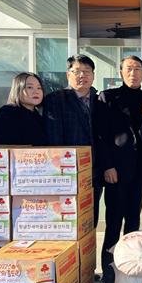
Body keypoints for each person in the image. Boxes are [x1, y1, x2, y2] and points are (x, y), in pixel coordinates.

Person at [97, 55, 142, 283]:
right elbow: (100, 136)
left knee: (133, 221)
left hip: (141, 169)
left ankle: (129, 270)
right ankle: (108, 273)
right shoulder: (107, 97)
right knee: (113, 221)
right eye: (128, 69)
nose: (133, 73)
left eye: (138, 69)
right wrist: (107, 166)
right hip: (116, 170)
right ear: (121, 72)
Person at [43, 54, 103, 229]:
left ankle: (88, 255)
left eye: (86, 71)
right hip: (67, 171)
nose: (82, 75)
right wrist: (61, 170)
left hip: (94, 171)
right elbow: (53, 137)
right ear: (68, 74)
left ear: (93, 75)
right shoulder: (55, 99)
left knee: (91, 218)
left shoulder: (100, 100)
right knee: (67, 220)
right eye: (77, 71)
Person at [0, 72, 47, 146]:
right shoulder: (7, 114)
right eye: (30, 87)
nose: (36, 91)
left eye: (39, 88)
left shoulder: (39, 116)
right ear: (18, 89)